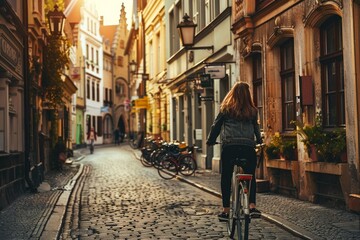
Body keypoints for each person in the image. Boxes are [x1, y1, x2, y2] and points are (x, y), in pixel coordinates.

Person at [206, 82, 263, 221]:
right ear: (248, 95)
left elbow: (216, 126)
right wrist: (259, 141)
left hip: (230, 147)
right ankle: (252, 206)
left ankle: (225, 211)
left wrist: (211, 140)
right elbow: (256, 130)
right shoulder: (253, 111)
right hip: (248, 147)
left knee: (226, 176)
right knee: (251, 176)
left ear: (232, 93)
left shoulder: (226, 109)